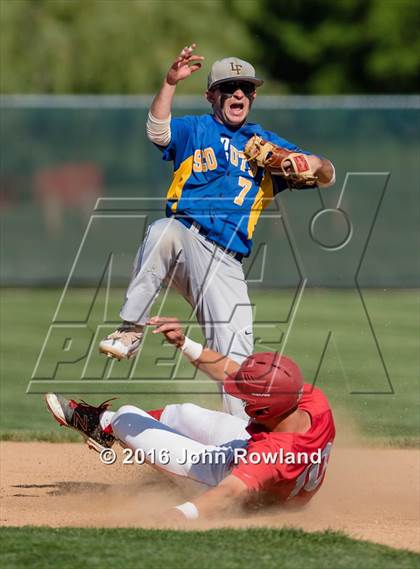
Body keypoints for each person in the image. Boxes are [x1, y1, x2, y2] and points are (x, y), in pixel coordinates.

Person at [98, 44, 336, 418]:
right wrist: (169, 83)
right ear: (212, 95)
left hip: (226, 262)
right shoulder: (196, 129)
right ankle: (131, 328)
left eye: (245, 87)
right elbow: (158, 132)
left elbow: (327, 175)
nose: (237, 93)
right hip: (186, 240)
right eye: (228, 87)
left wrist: (308, 161)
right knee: (165, 231)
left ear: (253, 96)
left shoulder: (267, 144)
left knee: (240, 369)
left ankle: (241, 446)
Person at [46, 316, 335, 522]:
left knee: (127, 417)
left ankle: (104, 425)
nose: (242, 399)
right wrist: (185, 343)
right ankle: (109, 430)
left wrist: (179, 514)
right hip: (261, 463)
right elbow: (234, 373)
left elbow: (229, 493)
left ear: (264, 410)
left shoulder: (271, 455)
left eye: (247, 399)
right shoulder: (311, 403)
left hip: (235, 487)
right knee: (182, 413)